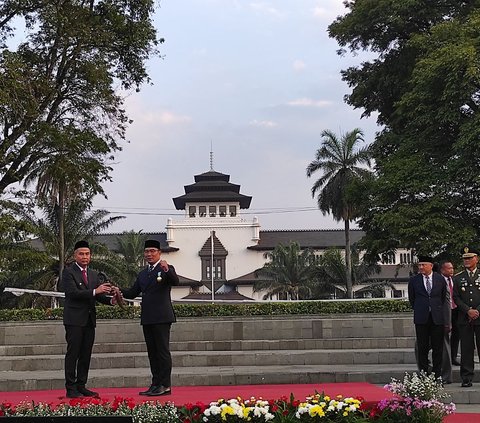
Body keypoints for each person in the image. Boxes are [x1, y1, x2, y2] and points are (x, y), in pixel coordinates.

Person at [119, 239, 180, 396]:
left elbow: (175, 281)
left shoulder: (166, 268)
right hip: (148, 317)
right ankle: (155, 383)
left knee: (162, 352)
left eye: (153, 251)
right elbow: (132, 292)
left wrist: (167, 270)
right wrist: (117, 289)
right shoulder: (143, 273)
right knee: (152, 353)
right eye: (147, 251)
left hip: (162, 317)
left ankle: (165, 385)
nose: (149, 254)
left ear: (159, 253)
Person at [62, 240, 117, 398]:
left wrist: (111, 300)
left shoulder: (92, 274)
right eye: (81, 254)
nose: (84, 257)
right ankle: (70, 388)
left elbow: (98, 296)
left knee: (86, 354)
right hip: (74, 320)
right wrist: (95, 290)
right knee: (73, 354)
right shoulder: (68, 272)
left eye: (87, 254)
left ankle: (81, 385)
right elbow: (72, 293)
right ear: (75, 255)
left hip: (89, 320)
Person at [408, 255, 449, 379]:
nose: (421, 267)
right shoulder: (414, 280)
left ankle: (437, 375)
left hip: (437, 318)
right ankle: (424, 374)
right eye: (419, 265)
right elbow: (412, 299)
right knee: (422, 347)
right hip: (421, 318)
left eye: (423, 265)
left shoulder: (439, 279)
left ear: (430, 266)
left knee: (438, 348)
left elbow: (442, 298)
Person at [453, 246, 480, 387]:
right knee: (466, 349)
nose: (467, 260)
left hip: (479, 317)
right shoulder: (457, 278)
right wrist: (468, 310)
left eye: (470, 257)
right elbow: (456, 297)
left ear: (477, 259)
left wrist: (476, 311)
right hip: (464, 318)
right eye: (465, 258)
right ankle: (467, 378)